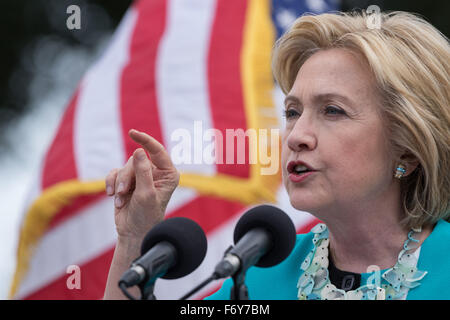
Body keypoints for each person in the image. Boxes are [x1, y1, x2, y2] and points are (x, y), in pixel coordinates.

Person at [103, 10, 450, 300]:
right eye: (292, 112)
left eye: (332, 110)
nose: (296, 136)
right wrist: (135, 238)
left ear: (408, 147)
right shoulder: (254, 278)